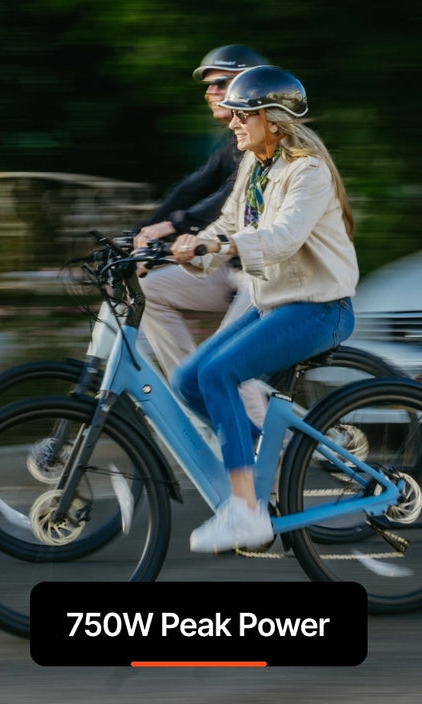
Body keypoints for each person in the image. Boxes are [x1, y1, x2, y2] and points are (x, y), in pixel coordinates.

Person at [168, 66, 360, 553]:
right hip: (274, 301)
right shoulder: (256, 166)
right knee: (188, 379)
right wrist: (194, 244)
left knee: (219, 375)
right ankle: (258, 462)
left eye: (243, 114)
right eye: (232, 114)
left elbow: (283, 237)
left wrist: (225, 244)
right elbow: (228, 221)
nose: (232, 121)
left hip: (319, 306)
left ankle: (246, 510)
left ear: (272, 120)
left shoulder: (308, 171)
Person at [133, 45, 269, 426]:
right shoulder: (231, 141)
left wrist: (175, 225)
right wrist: (143, 232)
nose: (208, 93)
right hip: (230, 268)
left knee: (224, 363)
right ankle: (196, 403)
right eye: (208, 87)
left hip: (265, 275)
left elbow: (230, 197)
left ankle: (268, 466)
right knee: (152, 290)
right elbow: (194, 187)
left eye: (219, 84)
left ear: (248, 87)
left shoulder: (266, 143)